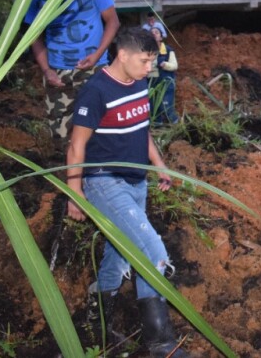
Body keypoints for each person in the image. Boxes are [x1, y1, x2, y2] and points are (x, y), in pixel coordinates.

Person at [65, 28, 186, 358]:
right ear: (123, 55)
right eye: (145, 61)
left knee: (119, 256)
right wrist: (74, 192)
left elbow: (141, 129)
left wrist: (158, 163)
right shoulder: (96, 91)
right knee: (152, 252)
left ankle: (98, 320)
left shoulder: (139, 84)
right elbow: (77, 145)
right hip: (105, 182)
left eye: (152, 61)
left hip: (137, 181)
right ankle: (159, 344)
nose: (150, 68)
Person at [24, 0, 120, 139]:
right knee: (62, 136)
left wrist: (98, 54)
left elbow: (113, 21)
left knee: (101, 130)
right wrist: (46, 70)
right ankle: (72, 168)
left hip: (94, 69)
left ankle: (99, 168)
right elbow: (33, 36)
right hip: (58, 74)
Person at [148, 25, 178, 125]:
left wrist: (164, 64)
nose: (154, 34)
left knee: (166, 105)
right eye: (151, 33)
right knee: (153, 108)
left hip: (166, 83)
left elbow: (174, 66)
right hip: (152, 83)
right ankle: (158, 127)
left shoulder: (168, 50)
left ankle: (176, 124)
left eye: (156, 32)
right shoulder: (146, 52)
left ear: (161, 37)